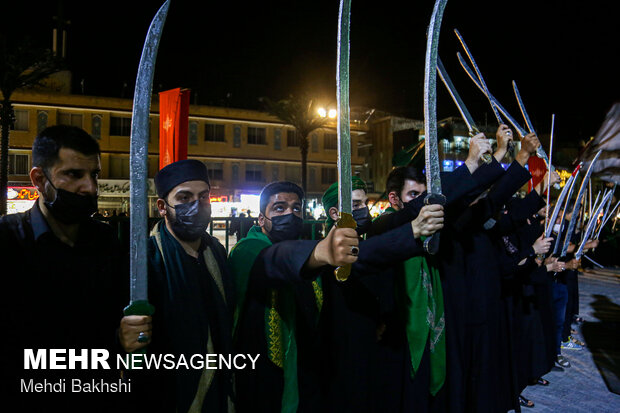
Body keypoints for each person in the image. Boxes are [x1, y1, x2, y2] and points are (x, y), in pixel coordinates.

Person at [0, 125, 128, 411]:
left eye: (94, 175)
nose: (90, 188)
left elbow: (117, 321)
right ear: (38, 179)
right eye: (73, 175)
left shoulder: (106, 241)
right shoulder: (7, 241)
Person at [119, 159, 234, 413]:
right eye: (184, 198)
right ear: (162, 206)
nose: (196, 205)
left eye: (203, 197)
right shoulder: (145, 260)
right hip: (169, 395)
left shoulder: (216, 250)